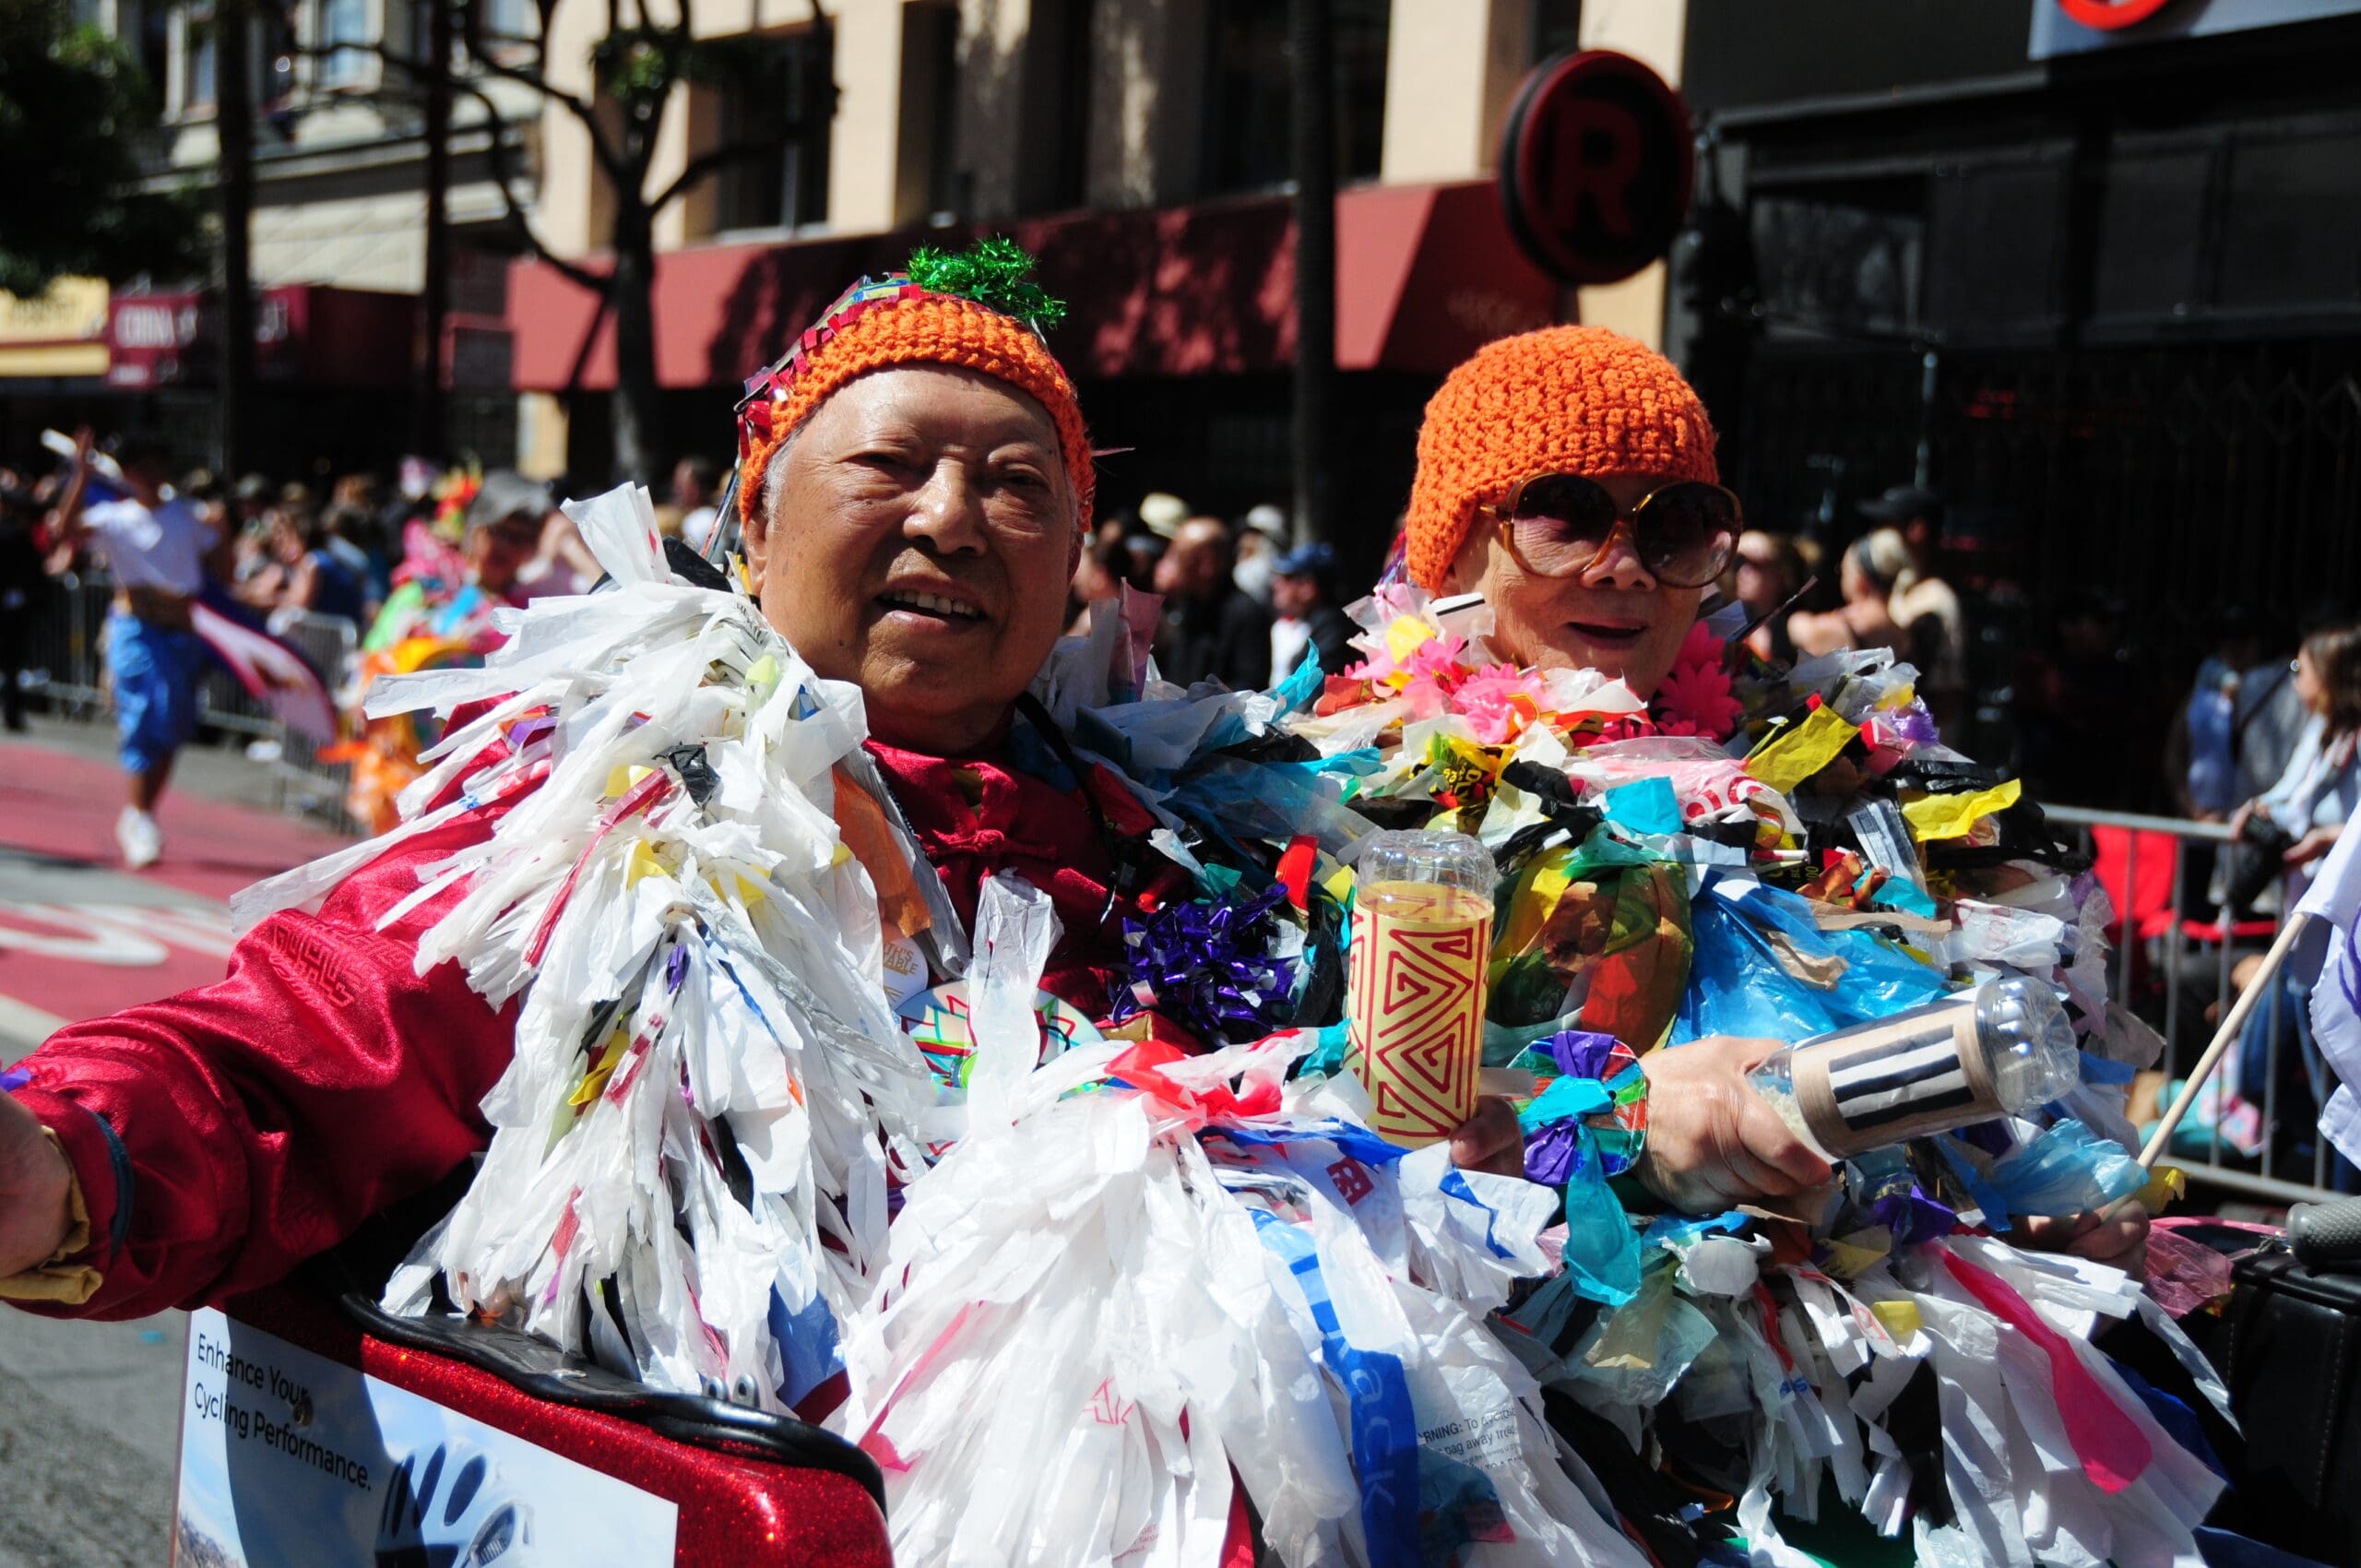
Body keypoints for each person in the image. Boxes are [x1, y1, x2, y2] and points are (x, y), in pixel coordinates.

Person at [0, 253, 1525, 1324]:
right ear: (751, 519)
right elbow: (313, 1044)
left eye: (1015, 486)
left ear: (1076, 567)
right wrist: (62, 1161)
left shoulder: (1200, 848)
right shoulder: (616, 812)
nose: (953, 517)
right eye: (896, 466)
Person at [42, 431, 225, 869]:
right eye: (136, 466)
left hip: (180, 632)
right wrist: (81, 477)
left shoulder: (189, 515)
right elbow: (64, 530)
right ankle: (141, 818)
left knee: (173, 722)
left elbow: (220, 561)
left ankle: (141, 812)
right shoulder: (114, 517)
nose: (145, 473)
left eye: (152, 464)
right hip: (135, 629)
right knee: (142, 717)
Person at [2230, 618, 2361, 892]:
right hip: (2313, 885)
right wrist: (2261, 807)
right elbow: (2290, 790)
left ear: (2327, 674)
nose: (2294, 681)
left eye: (2299, 668)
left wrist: (2330, 836)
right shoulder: (2321, 729)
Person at [1860, 482, 1968, 731]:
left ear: (1916, 531)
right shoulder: (1900, 587)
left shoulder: (1936, 600)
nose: (1876, 535)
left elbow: (1946, 695)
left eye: (1886, 526)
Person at [1154, 515, 1272, 689]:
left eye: (1178, 557)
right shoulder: (1188, 605)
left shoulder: (1246, 613)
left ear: (1206, 564)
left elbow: (1250, 686)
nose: (1168, 566)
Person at [1786, 526, 1909, 661]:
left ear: (1860, 580)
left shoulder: (1839, 628)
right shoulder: (1906, 633)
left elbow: (1801, 631)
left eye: (1842, 570)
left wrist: (1797, 620)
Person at [1266, 540, 1352, 679]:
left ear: (1308, 587)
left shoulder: (1332, 630)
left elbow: (1309, 691)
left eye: (1287, 577)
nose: (1276, 583)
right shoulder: (1299, 623)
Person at [1732, 528, 1807, 665]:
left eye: (1756, 565)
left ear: (1783, 577)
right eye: (1743, 562)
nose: (1743, 571)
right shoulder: (1734, 619)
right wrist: (1739, 543)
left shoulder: (1796, 626)